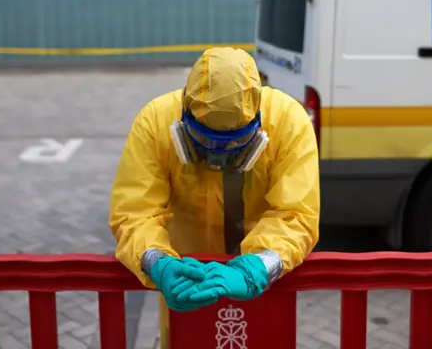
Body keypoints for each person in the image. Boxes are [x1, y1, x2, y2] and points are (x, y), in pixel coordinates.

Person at [109, 46, 320, 347]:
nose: (219, 152)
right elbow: (134, 214)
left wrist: (260, 266)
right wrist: (159, 263)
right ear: (183, 115)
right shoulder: (155, 123)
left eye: (236, 140)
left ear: (258, 120)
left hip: (263, 288)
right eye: (206, 139)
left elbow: (297, 215)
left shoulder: (288, 121)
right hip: (186, 286)